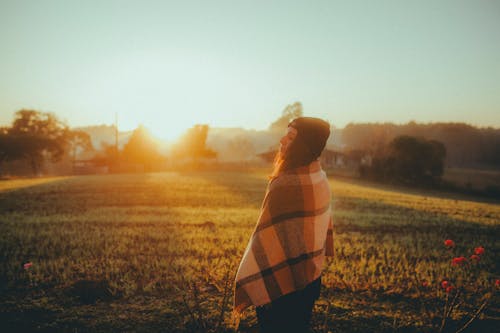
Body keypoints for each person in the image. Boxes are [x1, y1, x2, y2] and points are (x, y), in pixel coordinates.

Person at [233, 117, 334, 333]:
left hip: (279, 289)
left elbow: (265, 238)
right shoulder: (320, 177)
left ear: (305, 145)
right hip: (311, 278)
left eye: (290, 137)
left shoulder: (284, 185)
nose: (281, 140)